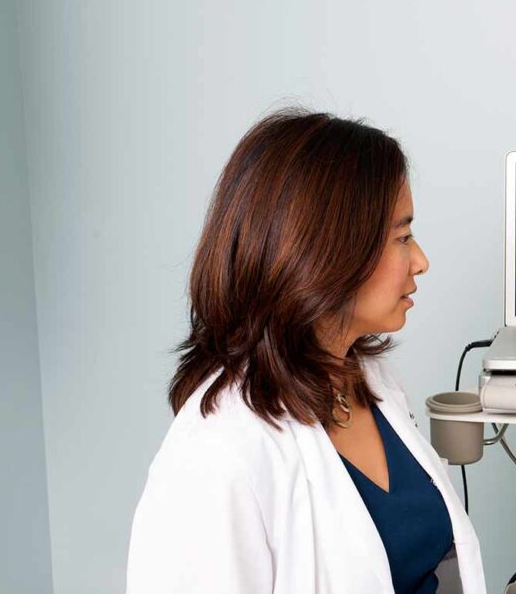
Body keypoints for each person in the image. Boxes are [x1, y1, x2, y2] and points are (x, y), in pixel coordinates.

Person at [127, 110, 486, 593]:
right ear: (326, 252)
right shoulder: (217, 452)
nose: (420, 261)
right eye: (402, 237)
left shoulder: (369, 380)